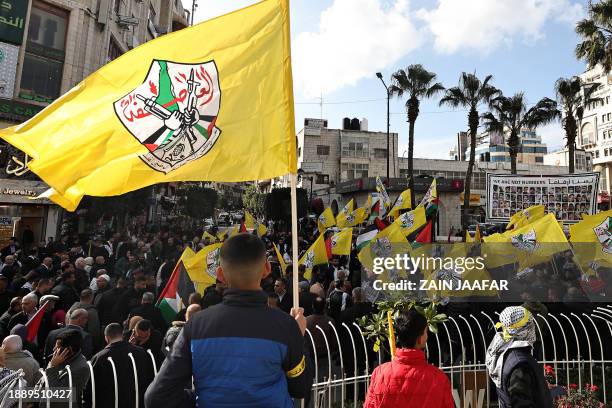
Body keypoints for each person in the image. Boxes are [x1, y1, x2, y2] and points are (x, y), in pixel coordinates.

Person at [145, 234, 313, 407]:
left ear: (220, 274)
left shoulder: (196, 326)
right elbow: (301, 387)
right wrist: (299, 338)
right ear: (267, 268)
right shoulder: (285, 326)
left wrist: (200, 399)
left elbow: (156, 397)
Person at [364, 309, 453, 408]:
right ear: (419, 339)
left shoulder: (379, 373)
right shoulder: (438, 378)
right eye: (425, 332)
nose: (427, 336)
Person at [485, 306, 553, 408]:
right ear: (523, 330)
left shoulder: (508, 354)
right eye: (530, 324)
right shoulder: (520, 364)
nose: (533, 328)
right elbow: (521, 403)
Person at [84, 323, 154, 408]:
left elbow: (91, 388)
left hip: (110, 403)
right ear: (121, 335)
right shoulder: (141, 352)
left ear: (106, 337)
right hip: (135, 402)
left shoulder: (99, 358)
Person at [37, 329, 91, 407]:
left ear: (69, 349)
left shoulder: (81, 368)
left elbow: (57, 395)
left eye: (57, 347)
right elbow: (42, 382)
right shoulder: (58, 359)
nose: (54, 349)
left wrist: (53, 367)